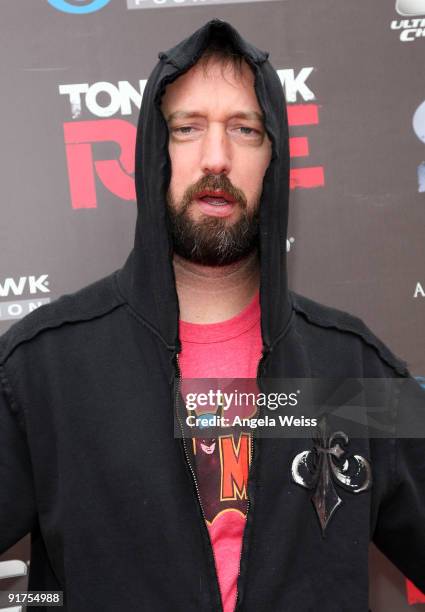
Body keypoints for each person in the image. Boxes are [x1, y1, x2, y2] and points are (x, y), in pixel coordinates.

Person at [0, 18, 424, 612]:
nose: (216, 157)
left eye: (244, 129)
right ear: (154, 152)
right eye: (188, 128)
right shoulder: (43, 368)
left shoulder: (353, 368)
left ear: (274, 157)